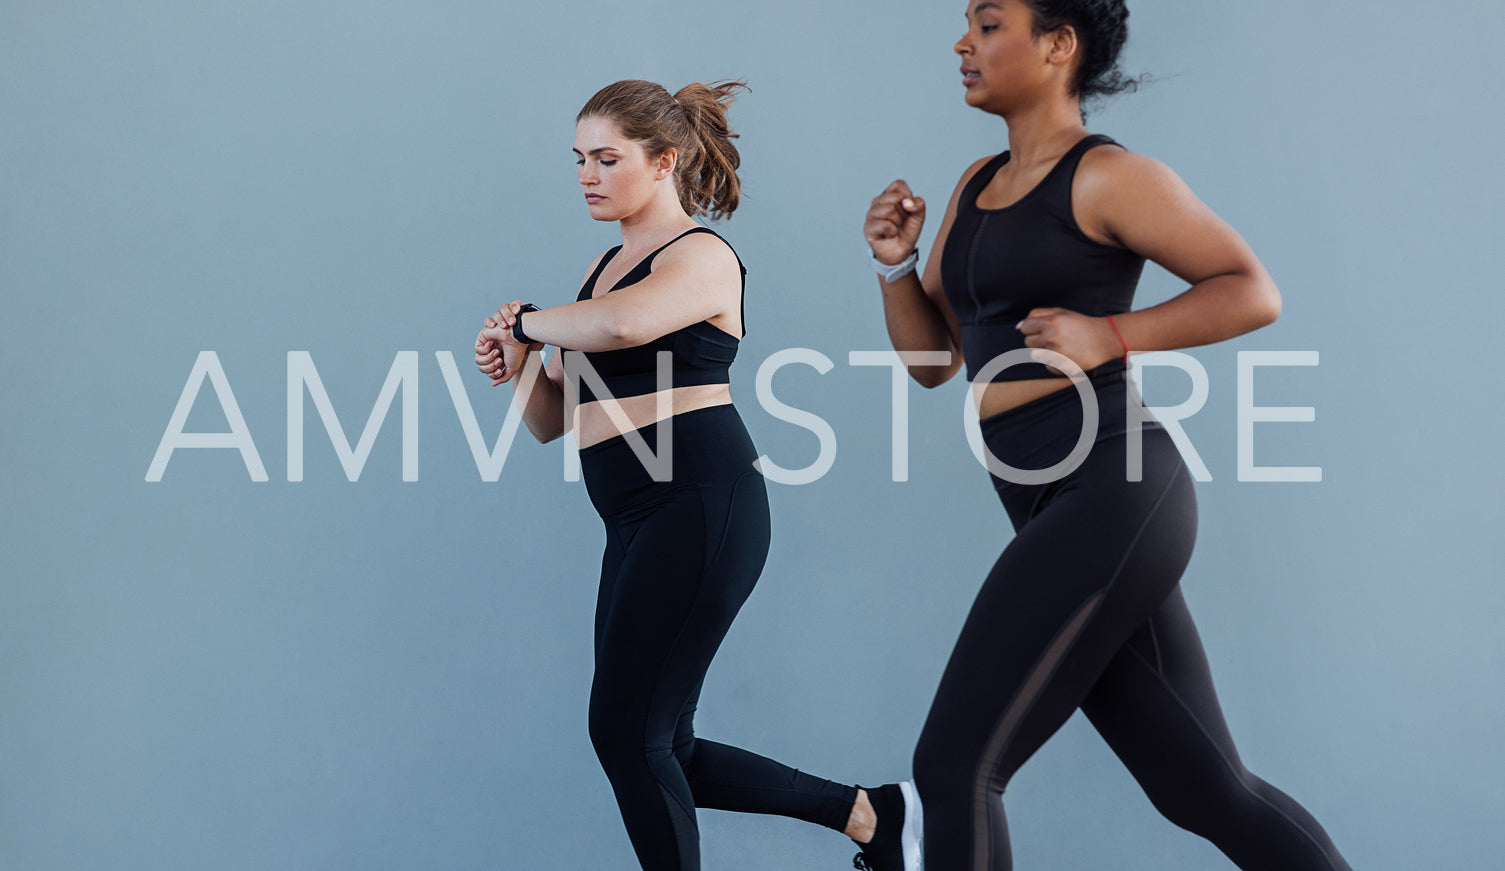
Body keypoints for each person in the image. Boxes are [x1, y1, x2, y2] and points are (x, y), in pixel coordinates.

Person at [862, 2, 1354, 869]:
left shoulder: (1106, 175)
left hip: (1114, 481)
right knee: (1205, 789)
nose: (960, 44)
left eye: (986, 24)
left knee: (954, 765)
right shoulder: (975, 183)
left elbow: (1250, 288)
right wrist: (896, 264)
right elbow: (932, 361)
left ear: (1058, 45)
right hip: (1047, 496)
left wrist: (1114, 334)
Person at [473, 79, 921, 871]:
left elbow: (624, 324)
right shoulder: (602, 265)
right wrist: (520, 364)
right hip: (631, 515)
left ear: (663, 161)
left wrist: (528, 322)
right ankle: (870, 814)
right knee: (657, 739)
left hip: (700, 503)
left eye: (607, 158)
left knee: (624, 733)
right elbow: (552, 421)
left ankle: (876, 816)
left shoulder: (703, 256)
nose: (587, 174)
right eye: (578, 159)